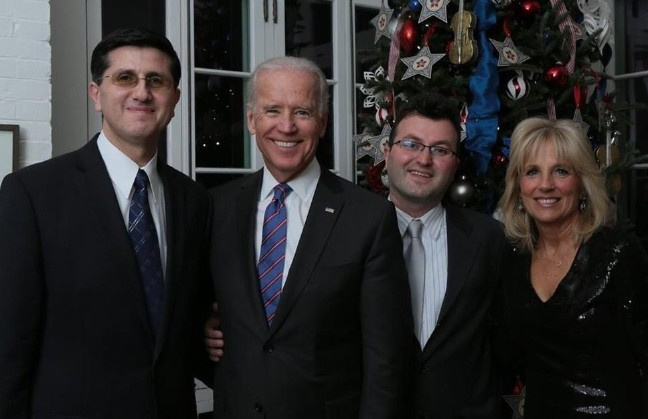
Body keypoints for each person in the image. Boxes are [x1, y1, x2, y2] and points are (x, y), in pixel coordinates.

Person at [0, 28, 212, 418]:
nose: (142, 92)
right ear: (96, 94)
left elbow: (187, 321)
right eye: (125, 78)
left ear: (175, 99)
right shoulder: (32, 194)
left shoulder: (195, 201)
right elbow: (10, 342)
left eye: (156, 81)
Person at [206, 56, 413, 419]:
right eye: (272, 110)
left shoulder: (368, 217)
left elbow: (386, 359)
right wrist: (201, 335)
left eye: (302, 112)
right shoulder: (217, 208)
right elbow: (187, 309)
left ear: (322, 122)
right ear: (252, 119)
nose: (286, 127)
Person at [496, 117, 648, 418]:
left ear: (581, 183)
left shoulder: (619, 253)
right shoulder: (513, 259)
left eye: (561, 171)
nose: (546, 185)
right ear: (519, 187)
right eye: (532, 172)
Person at [383, 92, 506, 418]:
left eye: (440, 150)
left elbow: (507, 338)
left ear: (454, 164)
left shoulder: (487, 238)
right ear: (387, 153)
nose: (424, 160)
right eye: (411, 144)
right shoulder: (350, 234)